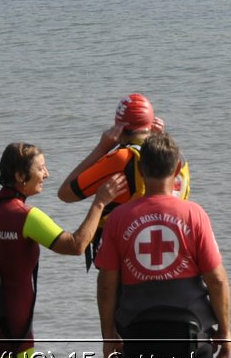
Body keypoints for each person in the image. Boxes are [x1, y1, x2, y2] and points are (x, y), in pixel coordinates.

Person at [0, 142, 124, 358]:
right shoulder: (27, 217)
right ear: (20, 176)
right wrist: (99, 203)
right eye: (41, 168)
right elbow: (76, 245)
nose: (47, 174)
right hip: (15, 323)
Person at [96, 132, 231, 358]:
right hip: (190, 332)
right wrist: (225, 331)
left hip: (138, 332)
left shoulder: (118, 218)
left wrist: (108, 336)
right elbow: (217, 280)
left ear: (139, 167)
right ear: (178, 167)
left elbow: (106, 285)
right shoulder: (194, 214)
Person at [58, 93, 191, 265]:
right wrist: (161, 138)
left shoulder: (121, 159)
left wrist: (102, 148)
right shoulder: (177, 157)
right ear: (152, 123)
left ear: (119, 128)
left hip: (125, 254)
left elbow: (66, 193)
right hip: (170, 248)